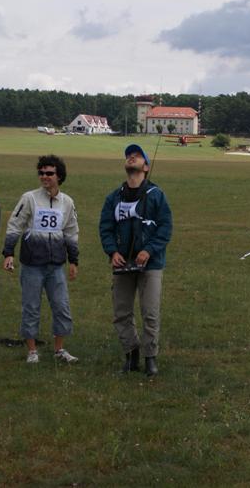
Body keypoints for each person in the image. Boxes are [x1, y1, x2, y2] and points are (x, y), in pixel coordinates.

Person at [99, 144, 172, 377]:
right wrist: (112, 252)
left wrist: (148, 250)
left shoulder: (157, 195)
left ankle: (151, 357)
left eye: (137, 156)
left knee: (150, 312)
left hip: (150, 264)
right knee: (121, 312)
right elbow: (106, 227)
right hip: (122, 263)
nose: (131, 157)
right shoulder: (114, 198)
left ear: (146, 167)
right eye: (129, 155)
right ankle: (131, 354)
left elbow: (165, 227)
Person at [2, 154, 79, 364]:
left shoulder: (67, 202)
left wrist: (73, 260)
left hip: (56, 266)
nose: (44, 176)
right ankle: (32, 351)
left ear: (59, 176)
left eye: (49, 173)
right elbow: (15, 225)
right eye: (41, 172)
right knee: (31, 307)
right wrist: (8, 253)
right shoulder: (29, 198)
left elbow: (71, 232)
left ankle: (59, 350)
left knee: (61, 306)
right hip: (32, 265)